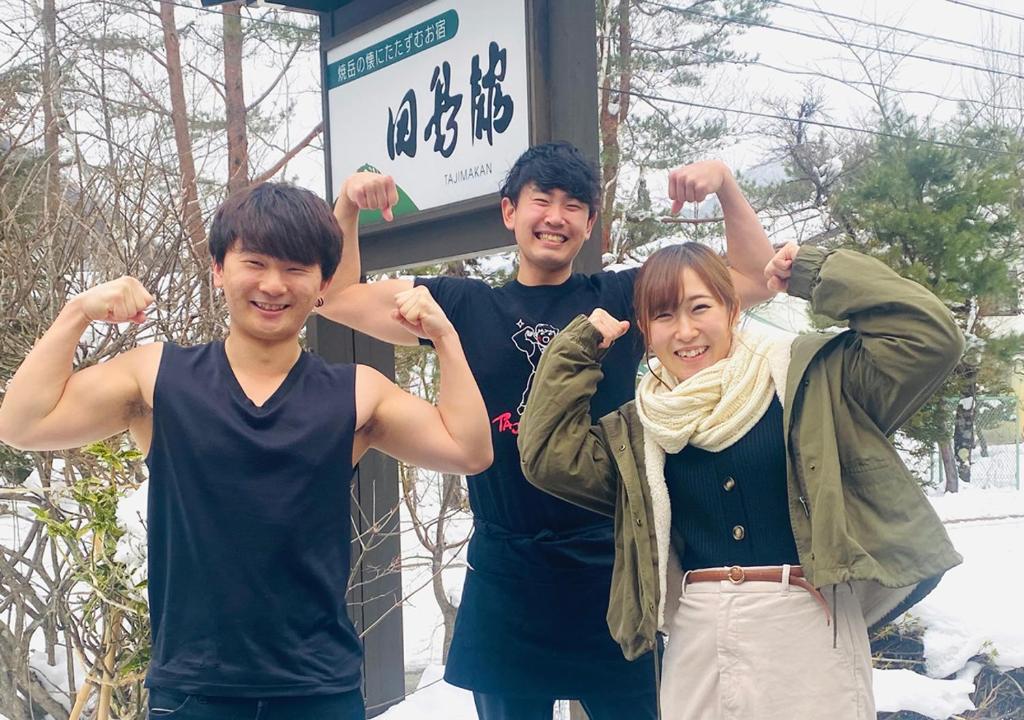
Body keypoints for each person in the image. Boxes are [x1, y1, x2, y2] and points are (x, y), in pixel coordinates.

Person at [0, 182, 492, 720]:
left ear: (324, 282)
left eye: (297, 268)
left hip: (318, 689)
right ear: (219, 269)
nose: (273, 285)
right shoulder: (158, 378)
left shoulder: (355, 391)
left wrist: (445, 338)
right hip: (193, 690)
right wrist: (76, 313)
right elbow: (24, 424)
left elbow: (468, 451)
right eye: (253, 262)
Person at [318, 143, 775, 719]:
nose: (556, 217)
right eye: (542, 200)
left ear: (588, 224)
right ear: (510, 212)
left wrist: (727, 187)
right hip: (508, 570)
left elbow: (754, 280)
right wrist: (348, 207)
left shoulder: (618, 297)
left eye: (574, 205)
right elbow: (333, 296)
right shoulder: (460, 303)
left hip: (612, 569)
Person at [517, 241, 965, 719]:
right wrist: (577, 349)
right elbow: (545, 455)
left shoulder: (808, 380)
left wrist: (816, 272)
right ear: (646, 330)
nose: (685, 331)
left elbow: (929, 336)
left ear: (731, 309)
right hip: (698, 632)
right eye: (664, 315)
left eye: (700, 307)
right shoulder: (640, 428)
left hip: (807, 622)